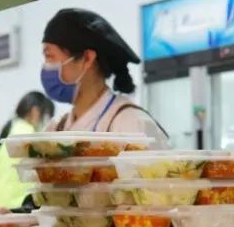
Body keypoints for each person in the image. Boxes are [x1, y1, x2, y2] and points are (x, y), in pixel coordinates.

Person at [40, 8, 169, 146]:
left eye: (49, 56)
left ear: (87, 59)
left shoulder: (131, 125)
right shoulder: (56, 129)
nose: (45, 66)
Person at [0, 91, 54, 212]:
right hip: (16, 208)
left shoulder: (8, 139)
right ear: (35, 112)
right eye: (47, 117)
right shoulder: (29, 136)